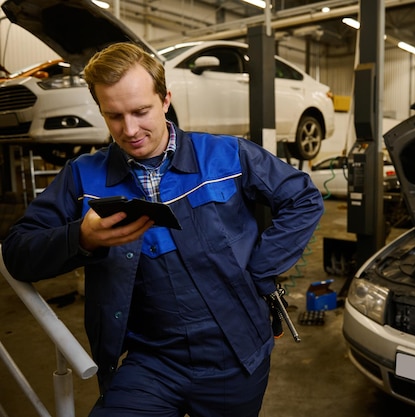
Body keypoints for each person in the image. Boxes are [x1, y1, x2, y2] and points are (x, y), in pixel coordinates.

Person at [1, 42, 324, 417]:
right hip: (150, 360)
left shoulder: (227, 155)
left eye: (141, 111)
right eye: (114, 116)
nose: (130, 130)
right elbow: (18, 252)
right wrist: (81, 238)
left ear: (165, 99)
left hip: (235, 355)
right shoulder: (82, 176)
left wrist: (259, 273)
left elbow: (303, 198)